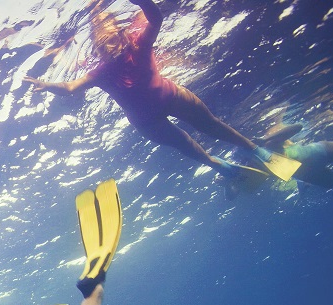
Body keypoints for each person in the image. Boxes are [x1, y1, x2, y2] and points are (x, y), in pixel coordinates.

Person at [24, 0, 297, 182]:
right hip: (147, 122)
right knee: (186, 146)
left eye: (110, 36)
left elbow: (155, 18)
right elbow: (71, 86)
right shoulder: (100, 72)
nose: (108, 44)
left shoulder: (138, 44)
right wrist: (47, 86)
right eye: (101, 41)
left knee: (211, 125)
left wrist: (142, 2)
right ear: (97, 47)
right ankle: (220, 166)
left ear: (120, 35)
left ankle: (256, 151)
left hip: (171, 96)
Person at [259, 123, 333, 189]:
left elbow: (298, 126)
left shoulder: (268, 144)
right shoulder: (261, 161)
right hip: (309, 174)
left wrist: (264, 140)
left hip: (319, 153)